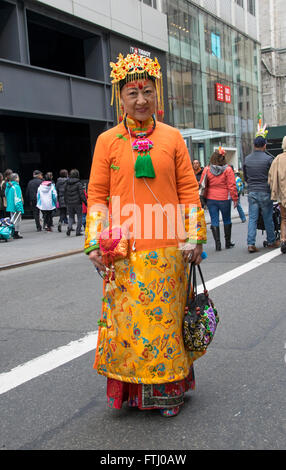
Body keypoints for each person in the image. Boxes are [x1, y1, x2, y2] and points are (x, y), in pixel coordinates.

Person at [84, 53, 207, 417]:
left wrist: (195, 237)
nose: (141, 101)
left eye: (147, 92)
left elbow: (188, 190)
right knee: (130, 329)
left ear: (158, 95)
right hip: (121, 252)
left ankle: (168, 395)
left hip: (169, 250)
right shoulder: (107, 141)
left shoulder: (172, 138)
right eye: (133, 93)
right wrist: (94, 240)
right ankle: (133, 397)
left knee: (164, 327)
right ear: (119, 97)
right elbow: (96, 194)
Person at [243, 135, 280, 253]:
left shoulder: (247, 159)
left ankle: (250, 243)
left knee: (253, 218)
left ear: (254, 145)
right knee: (268, 217)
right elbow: (273, 176)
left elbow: (245, 176)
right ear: (264, 145)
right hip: (265, 191)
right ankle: (271, 241)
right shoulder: (268, 159)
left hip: (252, 191)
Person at [200, 148, 238, 251]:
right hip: (224, 198)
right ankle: (228, 242)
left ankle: (218, 244)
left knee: (214, 220)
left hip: (211, 198)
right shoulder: (228, 169)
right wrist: (235, 198)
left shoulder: (207, 170)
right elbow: (232, 185)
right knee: (226, 219)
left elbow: (202, 184)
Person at [268, 135, 286, 254]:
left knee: (284, 218)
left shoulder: (278, 159)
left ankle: (283, 240)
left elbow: (271, 178)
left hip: (282, 194)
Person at [64, 169, 87, 236]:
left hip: (69, 203)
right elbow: (81, 194)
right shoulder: (78, 184)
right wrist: (85, 202)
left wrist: (66, 202)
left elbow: (65, 193)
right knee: (79, 217)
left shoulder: (67, 183)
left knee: (71, 216)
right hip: (78, 203)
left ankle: (70, 227)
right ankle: (78, 231)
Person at [5, 173, 24, 239]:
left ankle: (11, 232)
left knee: (12, 219)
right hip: (16, 206)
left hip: (10, 205)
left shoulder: (9, 186)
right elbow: (17, 198)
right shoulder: (16, 186)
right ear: (16, 178)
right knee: (18, 220)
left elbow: (6, 194)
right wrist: (19, 207)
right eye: (18, 177)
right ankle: (16, 233)